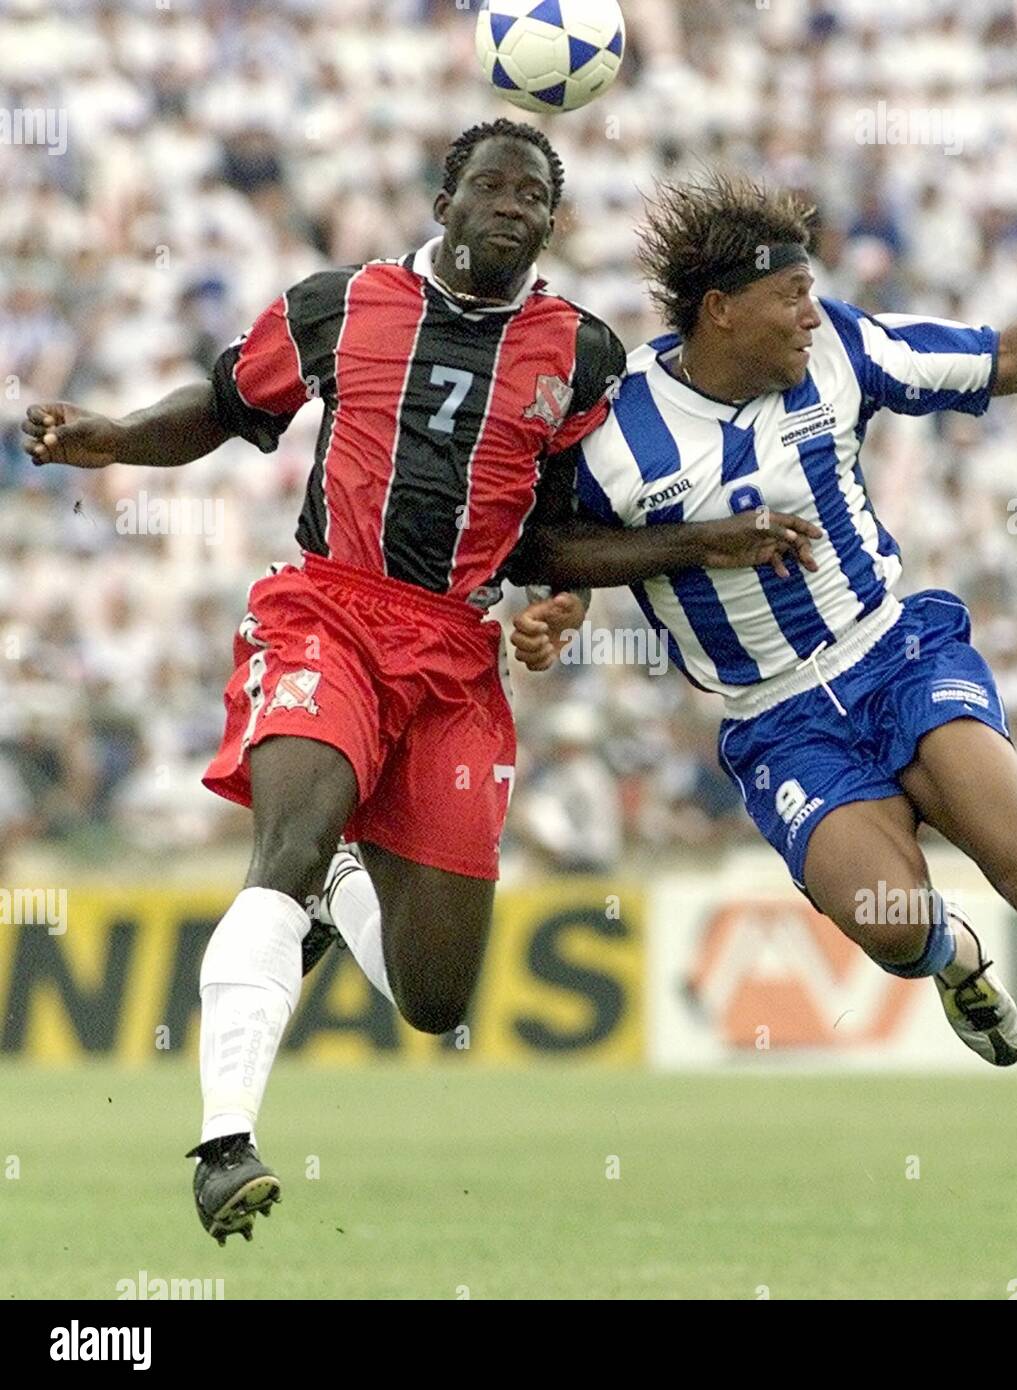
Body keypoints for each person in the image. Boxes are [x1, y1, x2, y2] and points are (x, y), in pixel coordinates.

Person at [23, 124, 820, 1246]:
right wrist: (112, 437)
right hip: (328, 612)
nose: (511, 205)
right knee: (284, 846)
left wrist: (684, 550)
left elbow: (557, 537)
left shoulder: (579, 354)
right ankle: (223, 1143)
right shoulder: (337, 303)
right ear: (444, 198)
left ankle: (342, 888)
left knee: (434, 998)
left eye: (533, 196)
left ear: (550, 222)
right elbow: (221, 407)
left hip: (453, 657)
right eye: (491, 185)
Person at [512, 172, 1017, 1239]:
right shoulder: (613, 427)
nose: (808, 313)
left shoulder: (839, 349)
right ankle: (954, 959)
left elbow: (1009, 356)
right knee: (890, 927)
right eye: (789, 295)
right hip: (777, 720)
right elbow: (547, 543)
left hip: (896, 652)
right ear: (720, 311)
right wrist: (568, 605)